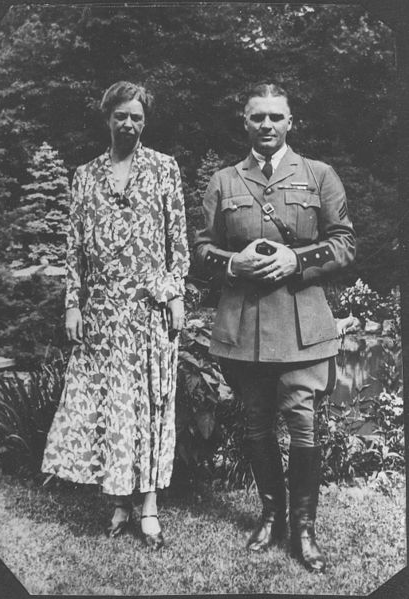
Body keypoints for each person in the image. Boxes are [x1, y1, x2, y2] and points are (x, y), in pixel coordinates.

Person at [194, 82, 356, 572]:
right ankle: (271, 516)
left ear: (291, 122)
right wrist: (231, 264)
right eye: (257, 117)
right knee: (255, 423)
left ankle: (304, 530)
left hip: (303, 322)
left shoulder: (319, 175)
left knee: (303, 424)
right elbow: (199, 251)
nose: (267, 125)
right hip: (243, 326)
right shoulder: (224, 181)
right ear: (244, 122)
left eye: (276, 117)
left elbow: (345, 243)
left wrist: (296, 258)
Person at [42, 81, 189, 550]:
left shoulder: (165, 169)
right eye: (121, 116)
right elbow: (75, 247)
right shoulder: (85, 176)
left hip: (150, 310)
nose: (129, 124)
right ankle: (118, 501)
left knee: (149, 404)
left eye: (137, 117)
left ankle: (148, 505)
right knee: (112, 406)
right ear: (107, 117)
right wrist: (73, 302)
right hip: (103, 314)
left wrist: (174, 294)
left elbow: (177, 241)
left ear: (146, 121)